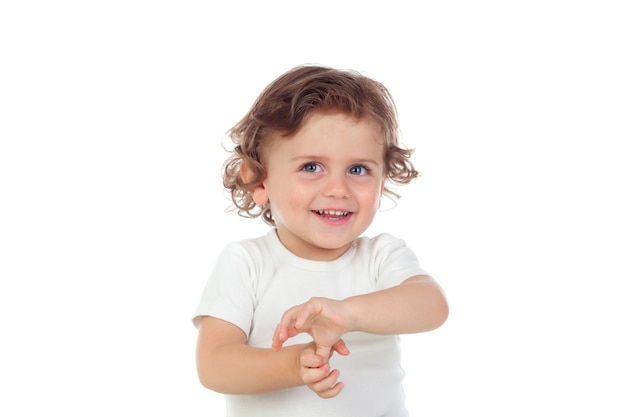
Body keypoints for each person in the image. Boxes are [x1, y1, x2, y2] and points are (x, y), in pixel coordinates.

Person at [192, 64, 449, 417]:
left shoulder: (381, 256)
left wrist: (348, 314)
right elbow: (215, 365)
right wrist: (295, 365)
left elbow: (432, 306)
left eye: (358, 169)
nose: (337, 189)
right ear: (258, 181)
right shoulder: (246, 262)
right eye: (311, 167)